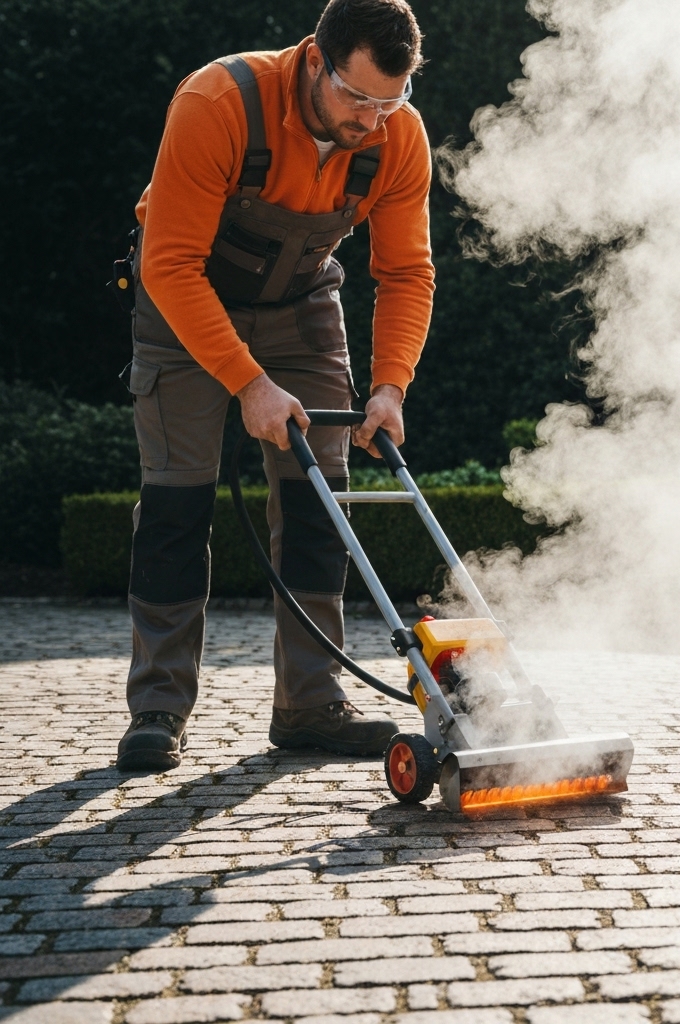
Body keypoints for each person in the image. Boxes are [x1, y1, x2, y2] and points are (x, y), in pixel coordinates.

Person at [116, 0, 434, 771]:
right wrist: (249, 383)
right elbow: (170, 264)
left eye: (391, 102)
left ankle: (310, 705)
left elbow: (405, 272)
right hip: (183, 301)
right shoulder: (219, 102)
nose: (373, 121)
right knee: (176, 501)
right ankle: (158, 706)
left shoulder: (398, 136)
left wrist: (390, 387)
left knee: (318, 500)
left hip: (301, 303)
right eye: (358, 99)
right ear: (316, 60)